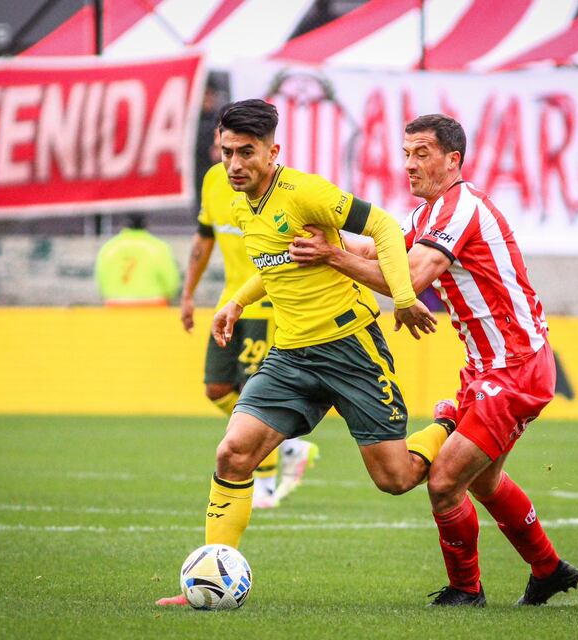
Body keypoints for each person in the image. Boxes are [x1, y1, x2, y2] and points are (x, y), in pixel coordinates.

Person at [157, 98, 446, 606]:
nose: (235, 165)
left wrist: (403, 298)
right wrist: (234, 303)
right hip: (291, 355)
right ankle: (209, 579)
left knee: (396, 479)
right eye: (227, 153)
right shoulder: (240, 200)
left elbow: (381, 226)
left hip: (350, 347)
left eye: (247, 153)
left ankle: (447, 421)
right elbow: (274, 266)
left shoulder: (305, 192)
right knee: (233, 453)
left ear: (274, 152)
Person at [289, 114, 578, 607]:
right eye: (405, 154)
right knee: (483, 480)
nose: (409, 164)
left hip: (515, 366)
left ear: (453, 160)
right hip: (491, 367)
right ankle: (549, 569)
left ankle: (467, 591)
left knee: (445, 481)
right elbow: (380, 251)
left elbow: (411, 279)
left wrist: (332, 258)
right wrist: (329, 234)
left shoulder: (459, 209)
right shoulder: (429, 216)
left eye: (421, 154)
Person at [180, 131, 318, 511]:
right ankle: (288, 444)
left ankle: (266, 485)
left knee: (254, 393)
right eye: (224, 148)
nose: (231, 158)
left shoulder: (278, 188)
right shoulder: (211, 181)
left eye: (242, 149)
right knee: (217, 387)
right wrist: (189, 293)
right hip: (230, 303)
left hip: (269, 303)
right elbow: (204, 237)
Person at [94, 214, 180, 307]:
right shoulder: (159, 247)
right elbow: (171, 282)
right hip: (153, 305)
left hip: (115, 305)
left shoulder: (109, 247)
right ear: (146, 226)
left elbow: (100, 279)